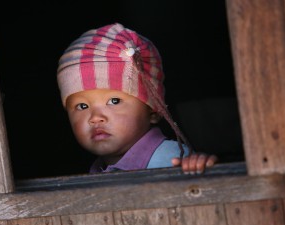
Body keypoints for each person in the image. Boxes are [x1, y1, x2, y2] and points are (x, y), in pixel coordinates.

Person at [57, 23, 217, 174]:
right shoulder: (99, 170)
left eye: (114, 101)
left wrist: (201, 170)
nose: (95, 118)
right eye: (82, 106)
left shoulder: (175, 160)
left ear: (153, 110)